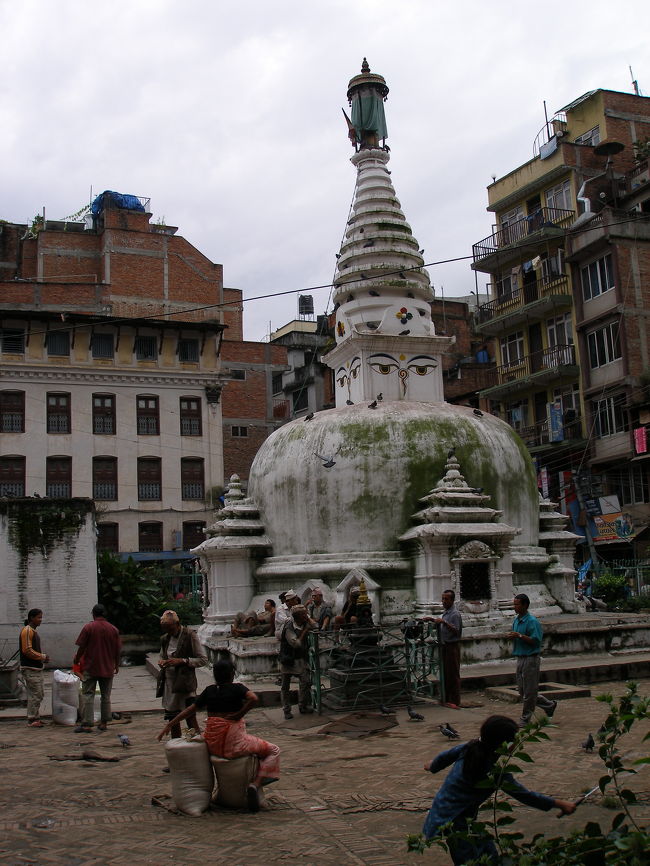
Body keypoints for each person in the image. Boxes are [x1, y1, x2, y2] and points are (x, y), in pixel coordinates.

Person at [422, 714, 576, 864]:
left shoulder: (470, 747)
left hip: (445, 811)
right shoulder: (494, 772)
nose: (518, 741)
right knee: (469, 859)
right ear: (503, 744)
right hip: (453, 821)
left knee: (488, 851)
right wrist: (560, 804)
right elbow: (524, 795)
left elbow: (445, 756)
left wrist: (432, 766)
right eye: (515, 738)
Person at [157, 659, 280, 813]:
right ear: (232, 674)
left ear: (214, 675)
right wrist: (239, 714)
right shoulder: (237, 688)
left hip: (213, 746)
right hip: (235, 746)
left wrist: (170, 724)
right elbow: (253, 698)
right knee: (274, 750)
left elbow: (190, 710)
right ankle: (255, 784)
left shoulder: (209, 691)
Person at [507, 594, 557, 727]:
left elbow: (536, 641)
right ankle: (548, 705)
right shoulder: (517, 620)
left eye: (517, 604)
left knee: (529, 690)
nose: (515, 607)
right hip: (520, 657)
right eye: (514, 604)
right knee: (523, 690)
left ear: (525, 605)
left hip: (531, 658)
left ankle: (525, 718)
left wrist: (519, 636)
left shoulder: (532, 621)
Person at [158, 610, 208, 738]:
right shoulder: (165, 639)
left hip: (185, 684)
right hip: (169, 684)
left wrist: (183, 661)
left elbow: (203, 660)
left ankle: (196, 742)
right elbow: (162, 655)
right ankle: (176, 743)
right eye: (165, 629)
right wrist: (162, 662)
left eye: (170, 628)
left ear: (177, 624)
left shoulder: (189, 636)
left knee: (190, 717)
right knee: (172, 718)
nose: (169, 631)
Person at [73, 603, 122, 733]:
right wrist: (116, 665)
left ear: (93, 614)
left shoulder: (89, 627)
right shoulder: (113, 629)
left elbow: (82, 646)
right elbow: (117, 650)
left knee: (88, 694)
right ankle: (104, 723)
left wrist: (77, 659)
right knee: (106, 696)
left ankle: (87, 723)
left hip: (91, 666)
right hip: (107, 667)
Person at [422, 589, 463, 709]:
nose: (444, 601)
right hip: (444, 645)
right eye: (443, 599)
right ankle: (446, 698)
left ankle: (454, 700)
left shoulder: (455, 614)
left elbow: (456, 630)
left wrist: (444, 623)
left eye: (446, 599)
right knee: (445, 673)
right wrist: (432, 620)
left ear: (452, 600)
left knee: (453, 674)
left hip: (452, 646)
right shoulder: (446, 613)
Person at [279, 605, 314, 720]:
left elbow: (316, 626)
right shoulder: (289, 628)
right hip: (288, 659)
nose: (306, 616)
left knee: (306, 681)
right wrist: (305, 631)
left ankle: (302, 705)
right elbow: (296, 643)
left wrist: (309, 620)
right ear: (298, 616)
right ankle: (286, 710)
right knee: (285, 686)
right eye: (304, 614)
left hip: (299, 659)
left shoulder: (304, 623)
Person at [19, 608, 49, 728]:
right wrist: (42, 656)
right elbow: (27, 650)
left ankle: (35, 717)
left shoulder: (32, 631)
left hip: (35, 668)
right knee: (36, 694)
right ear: (32, 618)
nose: (40, 620)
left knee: (38, 693)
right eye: (39, 617)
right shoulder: (27, 631)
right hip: (30, 668)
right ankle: (32, 718)